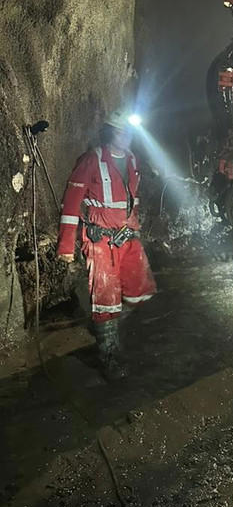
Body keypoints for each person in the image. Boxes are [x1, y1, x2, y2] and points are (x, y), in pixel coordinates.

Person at [57, 109, 156, 378]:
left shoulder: (133, 160)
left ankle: (107, 327)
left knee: (140, 290)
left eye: (130, 132)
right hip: (101, 241)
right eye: (122, 131)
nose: (126, 137)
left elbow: (131, 201)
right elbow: (72, 202)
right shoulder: (92, 160)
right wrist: (67, 246)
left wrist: (135, 231)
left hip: (127, 238)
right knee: (106, 299)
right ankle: (109, 355)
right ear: (111, 132)